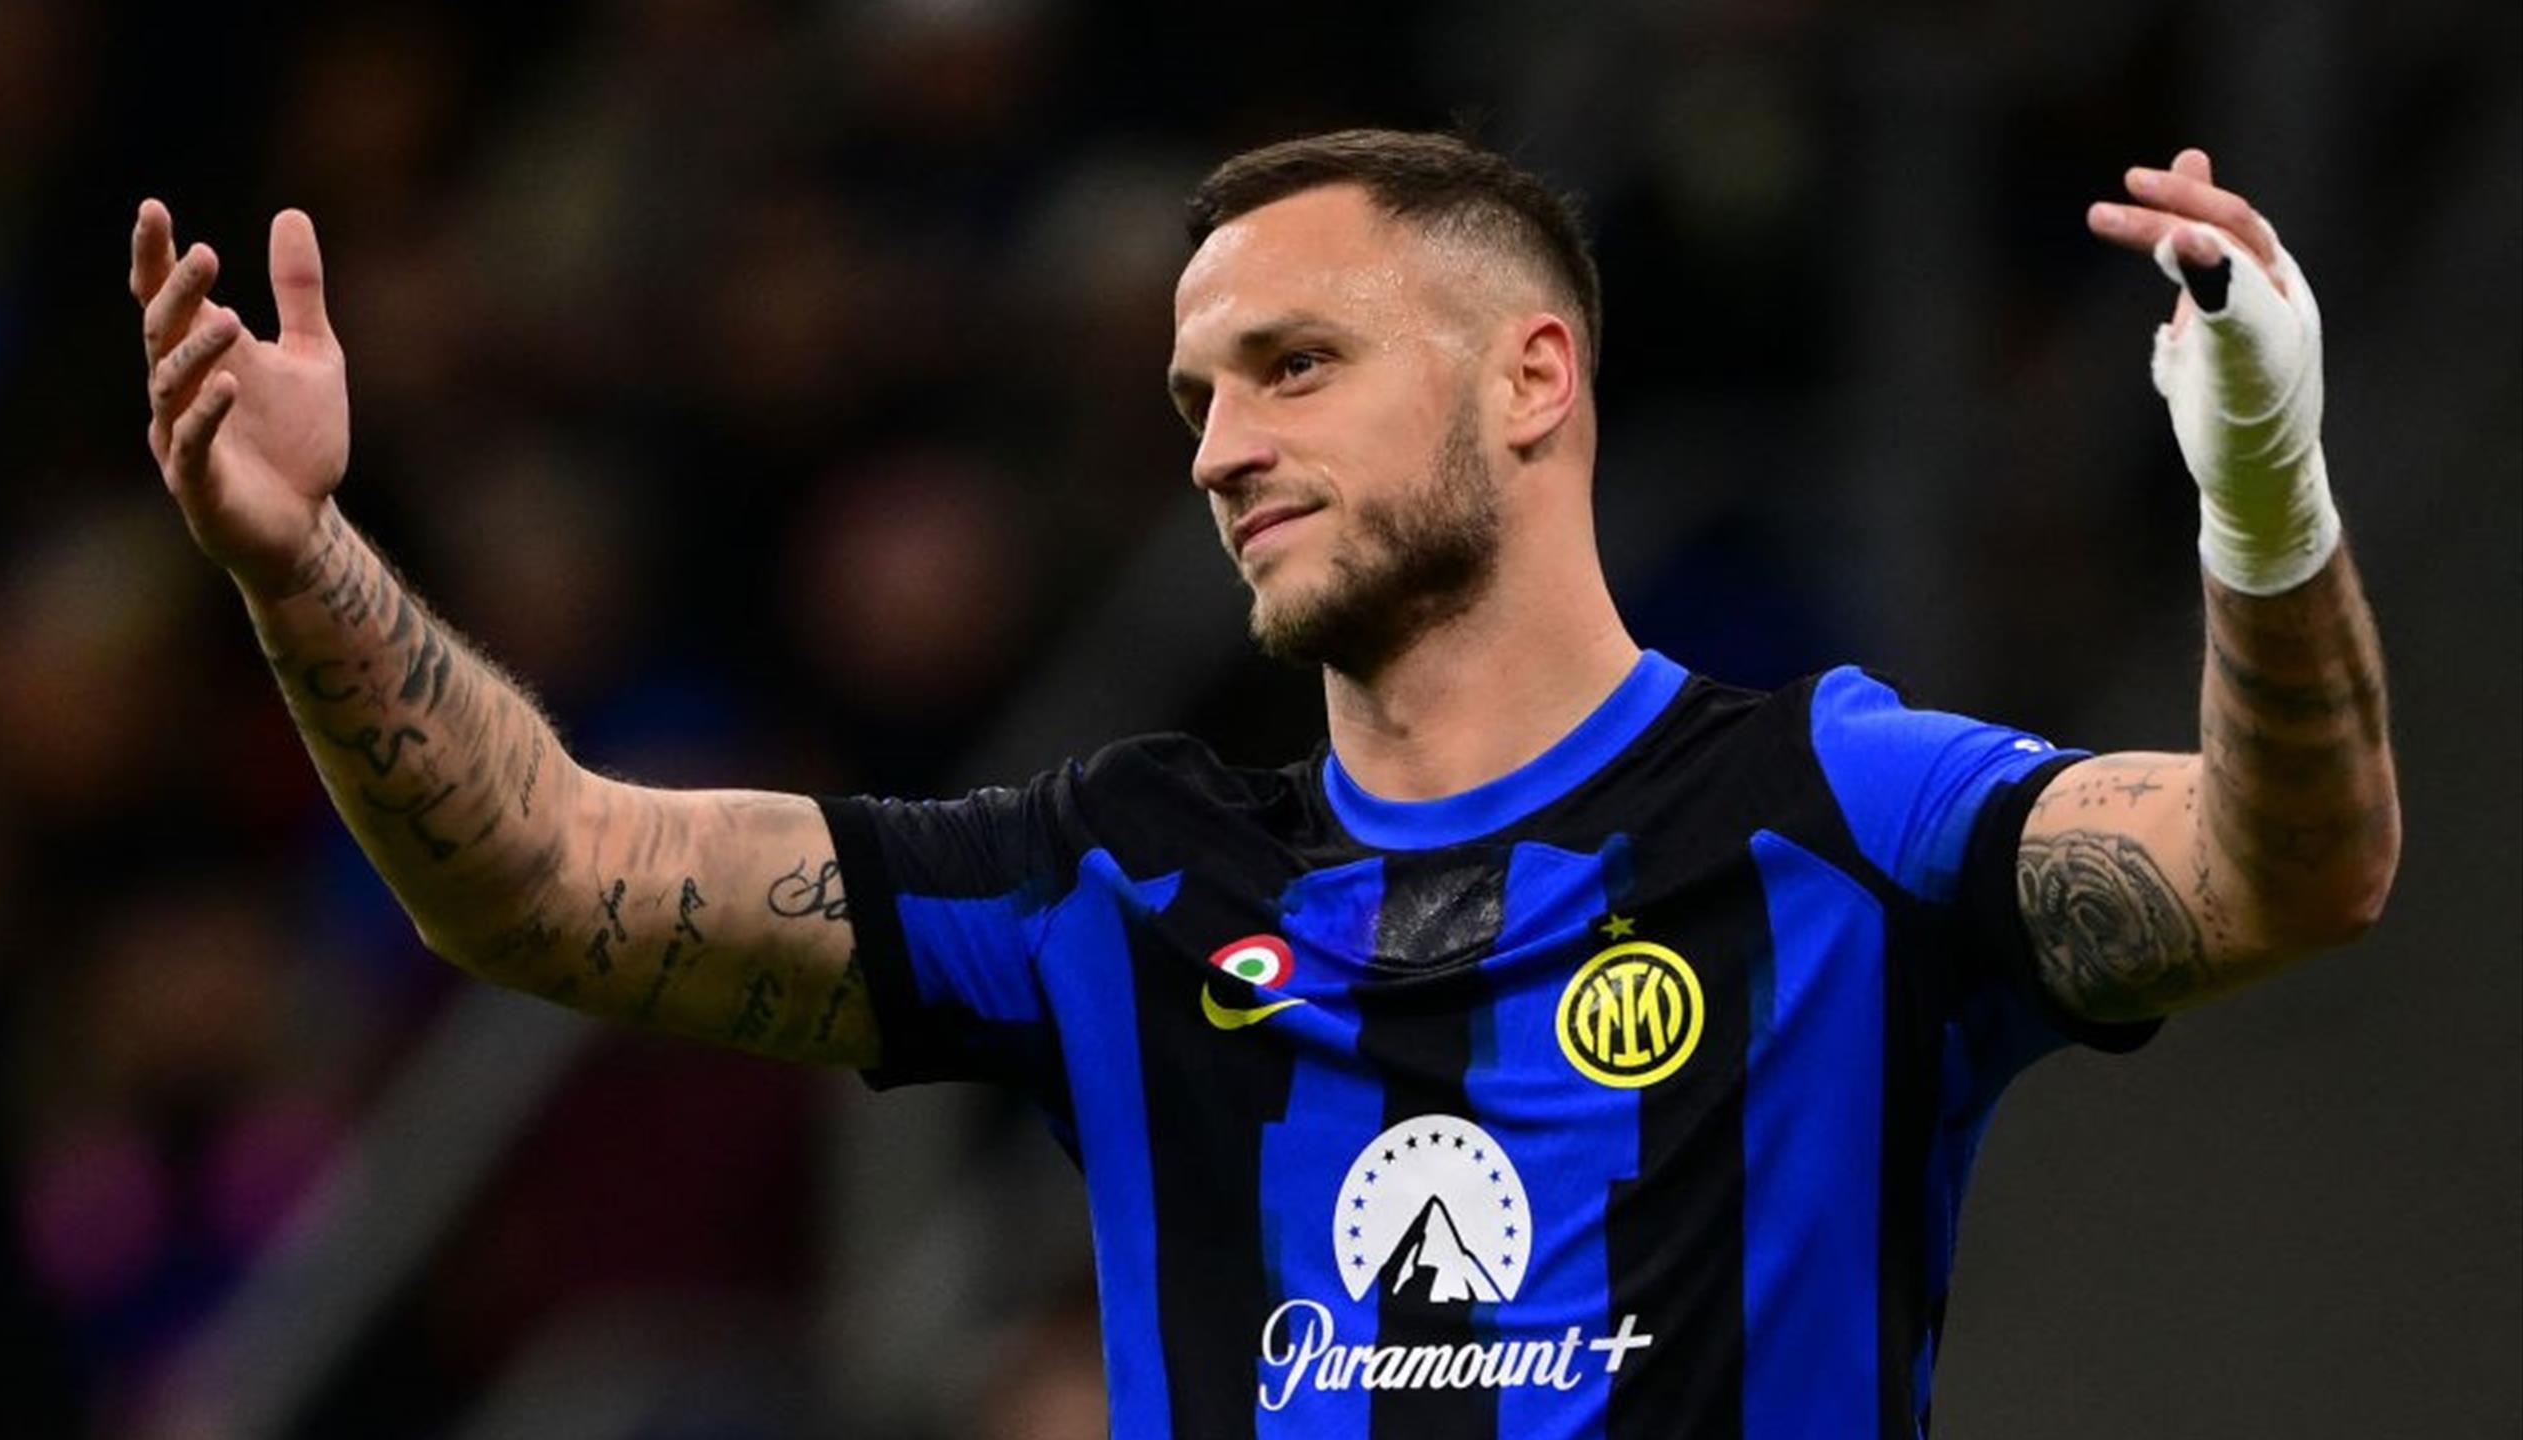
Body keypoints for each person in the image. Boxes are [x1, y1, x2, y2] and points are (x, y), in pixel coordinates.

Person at [128, 130, 2397, 1437]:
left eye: (1292, 367)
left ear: (1531, 379)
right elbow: (547, 880)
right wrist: (304, 565)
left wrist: (2261, 490)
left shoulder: (1831, 811)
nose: (1218, 450)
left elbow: (2278, 871)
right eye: (1196, 396)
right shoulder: (1121, 882)